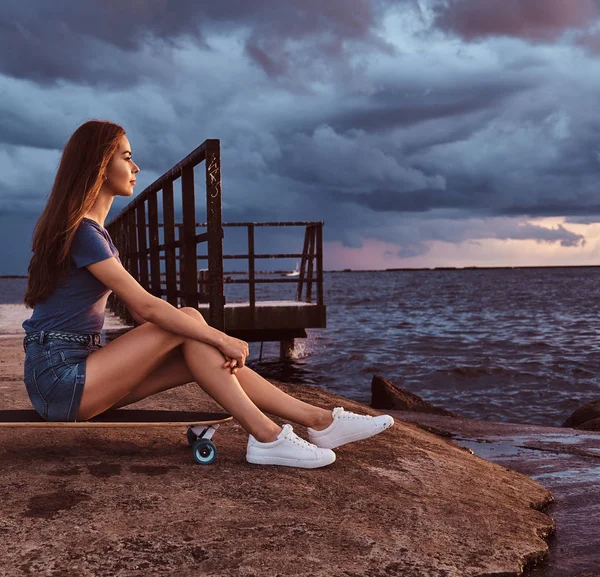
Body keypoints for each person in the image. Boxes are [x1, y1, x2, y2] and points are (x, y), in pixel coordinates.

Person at [21, 119, 394, 469]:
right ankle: (267, 436)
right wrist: (223, 337)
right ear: (99, 165)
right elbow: (145, 307)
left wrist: (206, 340)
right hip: (59, 378)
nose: (136, 168)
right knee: (187, 323)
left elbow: (140, 317)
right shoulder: (84, 233)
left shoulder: (93, 233)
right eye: (127, 156)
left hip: (80, 371)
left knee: (195, 345)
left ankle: (318, 421)